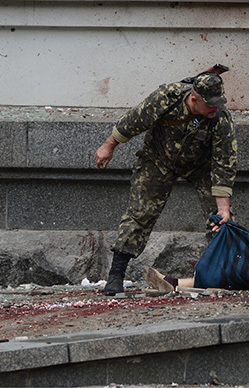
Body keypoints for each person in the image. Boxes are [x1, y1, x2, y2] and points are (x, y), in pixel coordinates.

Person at [94, 72, 238, 295]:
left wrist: (223, 208)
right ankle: (116, 275)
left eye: (219, 103)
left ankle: (228, 272)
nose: (216, 109)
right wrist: (108, 145)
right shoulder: (166, 98)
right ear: (194, 100)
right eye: (210, 105)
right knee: (140, 213)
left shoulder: (220, 119)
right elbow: (134, 120)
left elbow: (224, 163)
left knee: (220, 219)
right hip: (158, 159)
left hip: (200, 165)